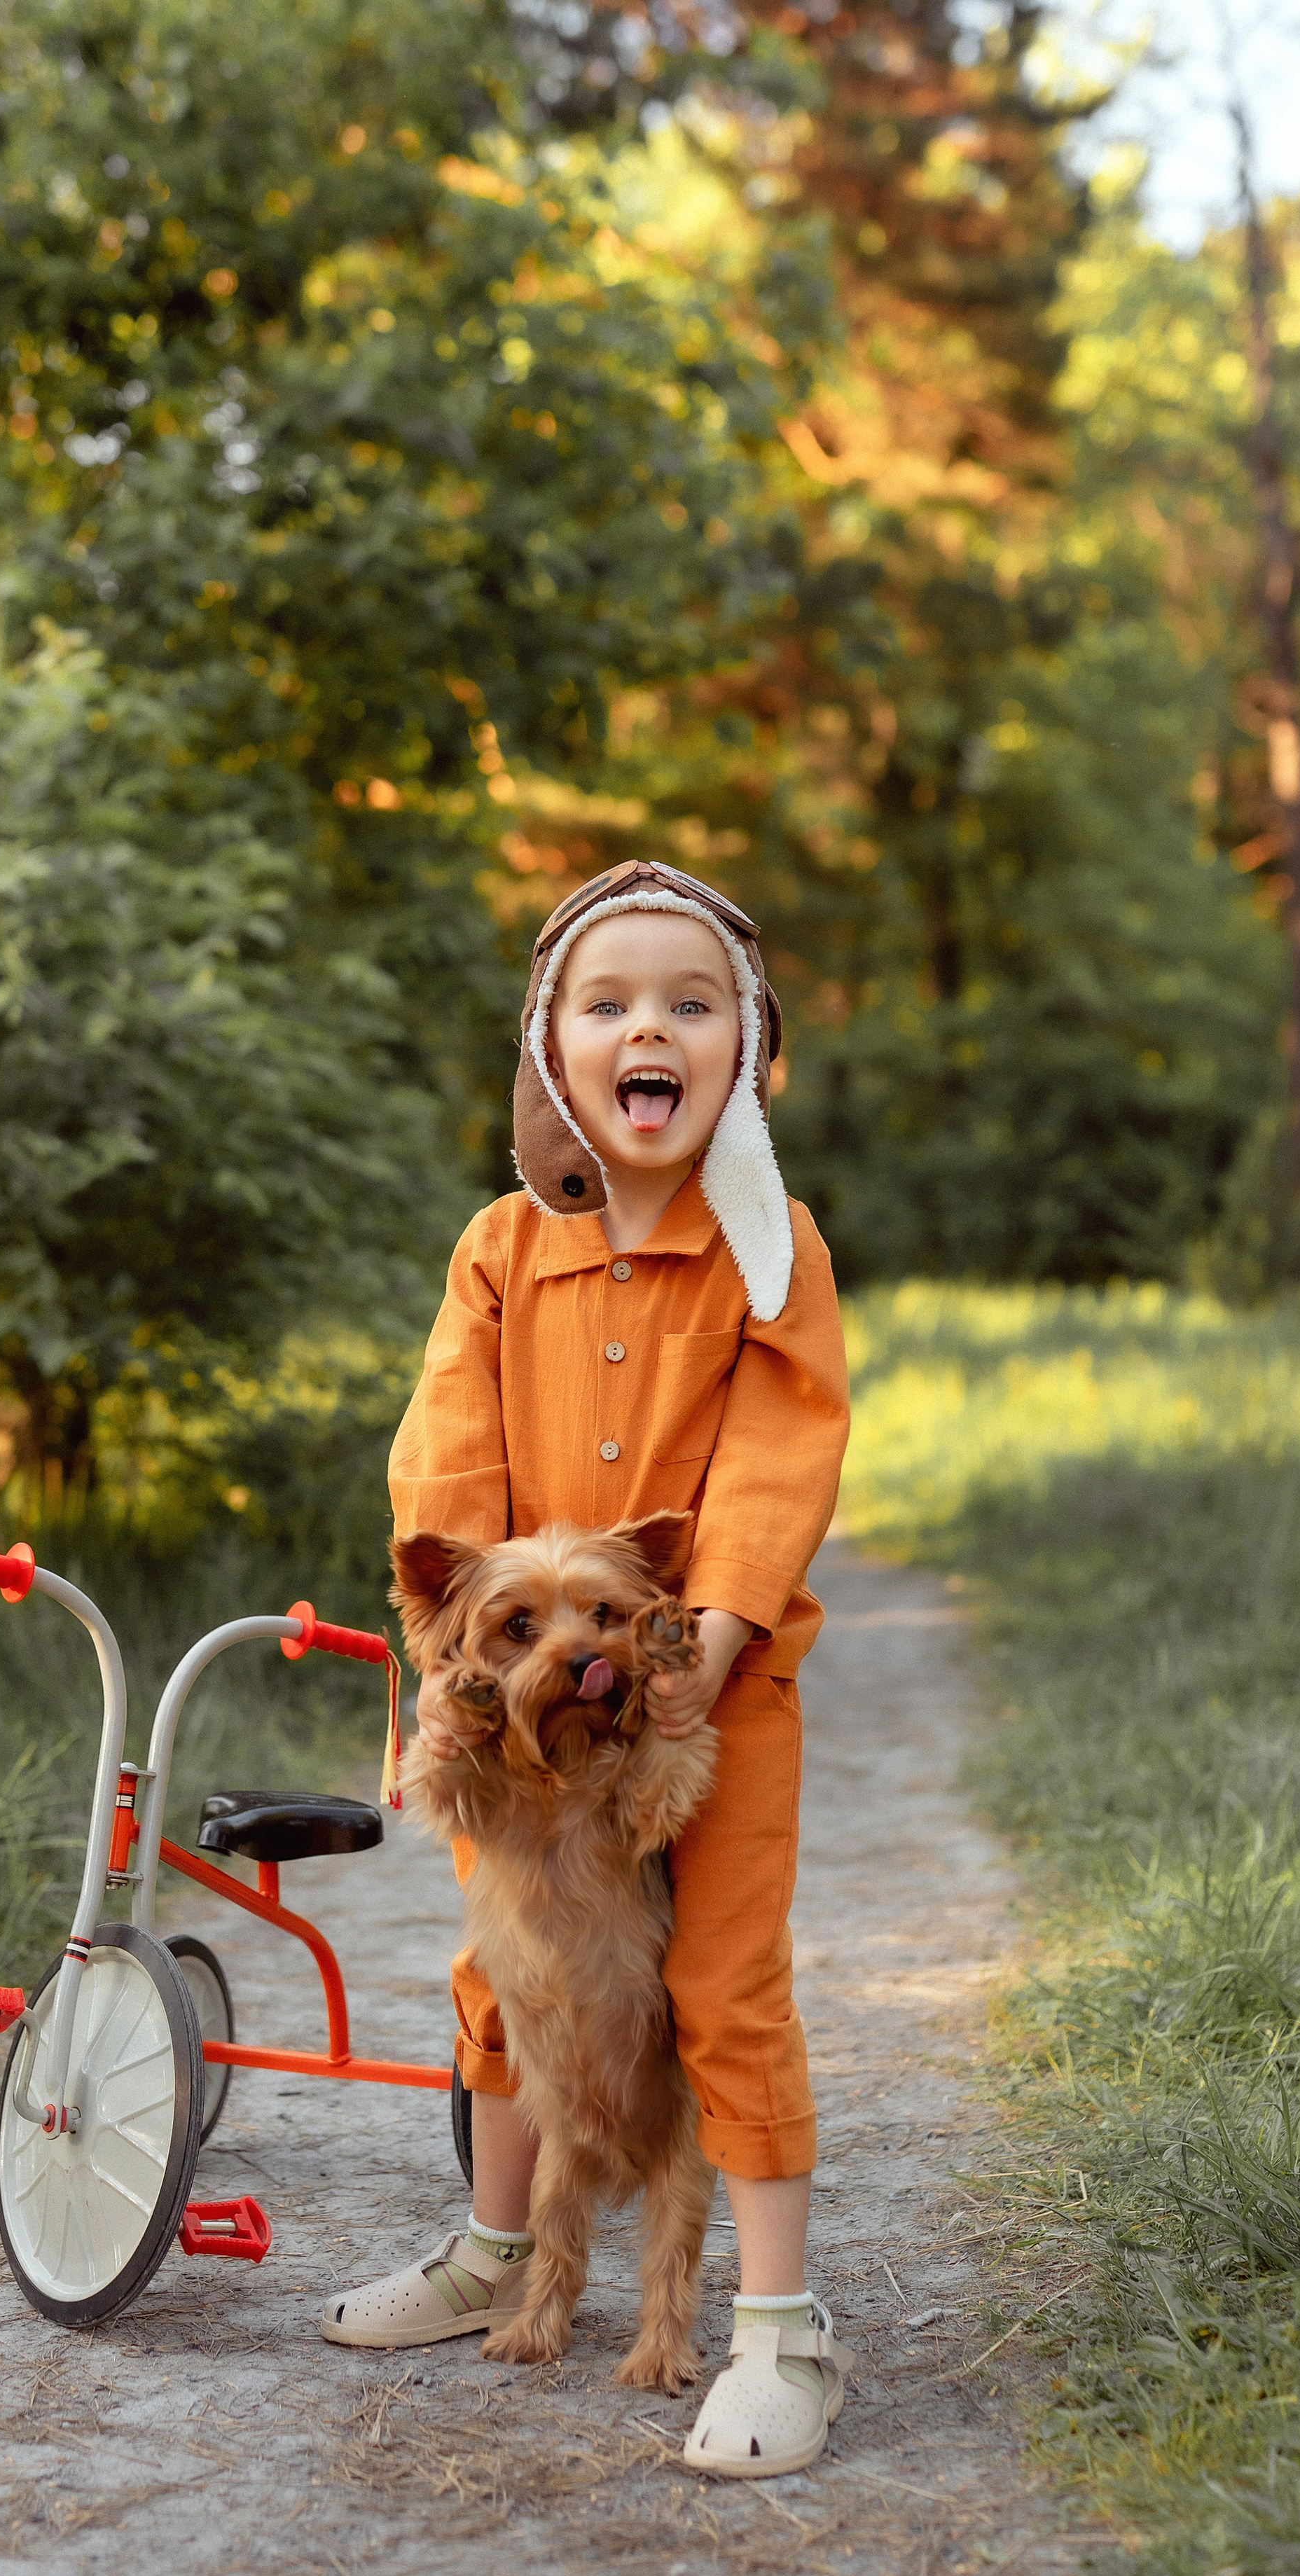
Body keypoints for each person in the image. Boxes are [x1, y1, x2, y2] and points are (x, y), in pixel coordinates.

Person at [319, 857, 853, 2480]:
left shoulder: (771, 1250)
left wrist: (719, 1632)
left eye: (691, 1005)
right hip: (518, 1708)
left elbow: (779, 1444)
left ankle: (774, 2330)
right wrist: (460, 1661)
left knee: (720, 1983)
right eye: (607, 1001)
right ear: (552, 1051)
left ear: (741, 1054)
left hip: (714, 1691)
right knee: (506, 1975)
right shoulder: (498, 1251)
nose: (649, 1028)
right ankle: (495, 2251)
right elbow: (448, 1455)